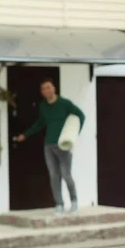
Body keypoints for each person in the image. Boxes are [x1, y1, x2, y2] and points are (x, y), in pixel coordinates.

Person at [14, 78, 85, 215]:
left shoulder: (65, 103)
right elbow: (40, 123)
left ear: (54, 88)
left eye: (48, 87)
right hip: (49, 145)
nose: (46, 90)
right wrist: (26, 135)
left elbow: (81, 116)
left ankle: (74, 202)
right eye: (43, 89)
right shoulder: (43, 106)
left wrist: (74, 135)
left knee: (66, 174)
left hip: (63, 145)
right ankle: (59, 204)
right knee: (54, 176)